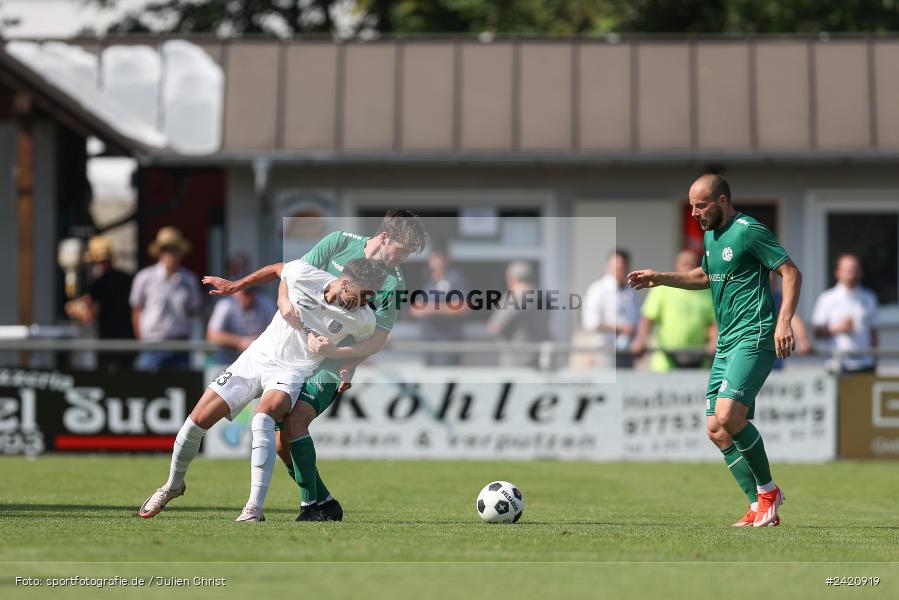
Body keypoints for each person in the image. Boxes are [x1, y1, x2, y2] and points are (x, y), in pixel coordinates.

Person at [203, 210, 428, 521]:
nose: (403, 259)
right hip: (293, 356)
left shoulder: (392, 283)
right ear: (385, 237)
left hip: (330, 363)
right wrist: (282, 301)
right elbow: (291, 275)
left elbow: (377, 341)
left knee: (295, 423)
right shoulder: (338, 243)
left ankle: (310, 508)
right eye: (402, 250)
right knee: (282, 445)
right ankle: (324, 501)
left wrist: (345, 358)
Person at [138, 258, 386, 522]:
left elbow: (370, 346)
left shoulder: (363, 319)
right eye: (364, 294)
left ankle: (253, 508)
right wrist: (236, 286)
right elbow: (279, 269)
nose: (366, 301)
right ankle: (172, 486)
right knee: (195, 423)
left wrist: (344, 361)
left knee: (262, 418)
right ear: (346, 282)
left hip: (292, 371)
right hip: (256, 358)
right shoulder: (306, 275)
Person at [628, 173, 801, 528]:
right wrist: (660, 277)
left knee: (728, 415)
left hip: (754, 335)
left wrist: (784, 322)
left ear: (722, 201)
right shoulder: (710, 235)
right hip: (726, 343)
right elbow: (704, 277)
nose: (694, 213)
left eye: (700, 205)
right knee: (716, 429)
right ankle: (758, 506)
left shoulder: (749, 230)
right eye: (692, 206)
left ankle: (769, 491)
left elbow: (790, 272)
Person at [629, 250, 717, 372]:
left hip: (699, 358)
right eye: (683, 263)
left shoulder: (707, 293)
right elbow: (648, 317)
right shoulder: (662, 289)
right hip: (666, 359)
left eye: (691, 264)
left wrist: (714, 340)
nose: (687, 266)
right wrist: (641, 339)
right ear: (676, 265)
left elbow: (713, 322)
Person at [130, 227, 203, 371]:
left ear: (180, 252)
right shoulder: (144, 277)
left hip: (180, 344)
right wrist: (141, 341)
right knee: (145, 387)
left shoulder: (189, 279)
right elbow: (136, 310)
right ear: (159, 252)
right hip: (152, 344)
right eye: (166, 249)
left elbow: (194, 311)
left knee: (181, 387)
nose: (170, 254)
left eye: (174, 249)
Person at [64, 235, 135, 371]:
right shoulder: (126, 278)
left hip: (109, 344)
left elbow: (90, 316)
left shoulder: (100, 283)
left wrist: (74, 310)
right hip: (129, 342)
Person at [811, 253, 879, 373]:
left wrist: (875, 361)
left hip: (865, 365)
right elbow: (816, 332)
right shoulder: (827, 298)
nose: (852, 273)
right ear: (837, 272)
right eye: (847, 269)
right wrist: (835, 329)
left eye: (855, 269)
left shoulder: (869, 297)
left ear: (860, 272)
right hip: (837, 365)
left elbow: (873, 332)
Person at [409, 248, 470, 366]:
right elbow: (417, 305)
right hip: (428, 339)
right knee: (429, 378)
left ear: (446, 259)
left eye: (438, 257)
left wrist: (433, 309)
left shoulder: (455, 277)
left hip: (447, 339)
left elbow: (465, 306)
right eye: (433, 257)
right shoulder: (428, 280)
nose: (435, 261)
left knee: (444, 377)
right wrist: (416, 310)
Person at [582, 249, 640, 368]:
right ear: (608, 267)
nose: (620, 268)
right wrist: (621, 328)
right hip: (605, 351)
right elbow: (591, 323)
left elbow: (638, 319)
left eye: (623, 265)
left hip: (627, 351)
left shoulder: (632, 291)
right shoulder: (597, 289)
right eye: (616, 265)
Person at [487, 260, 551, 368]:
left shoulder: (514, 298)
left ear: (512, 279)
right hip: (541, 357)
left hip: (517, 359)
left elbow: (494, 327)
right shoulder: (543, 297)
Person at [206, 286, 276, 365]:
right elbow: (212, 335)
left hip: (257, 359)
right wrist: (240, 342)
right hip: (227, 360)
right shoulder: (225, 304)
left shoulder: (266, 303)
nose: (247, 297)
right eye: (245, 293)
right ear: (236, 292)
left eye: (250, 293)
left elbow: (276, 333)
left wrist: (255, 341)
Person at [770, 272, 812, 370]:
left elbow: (793, 318)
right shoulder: (752, 298)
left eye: (773, 275)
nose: (771, 278)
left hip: (775, 361)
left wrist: (803, 339)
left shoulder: (779, 298)